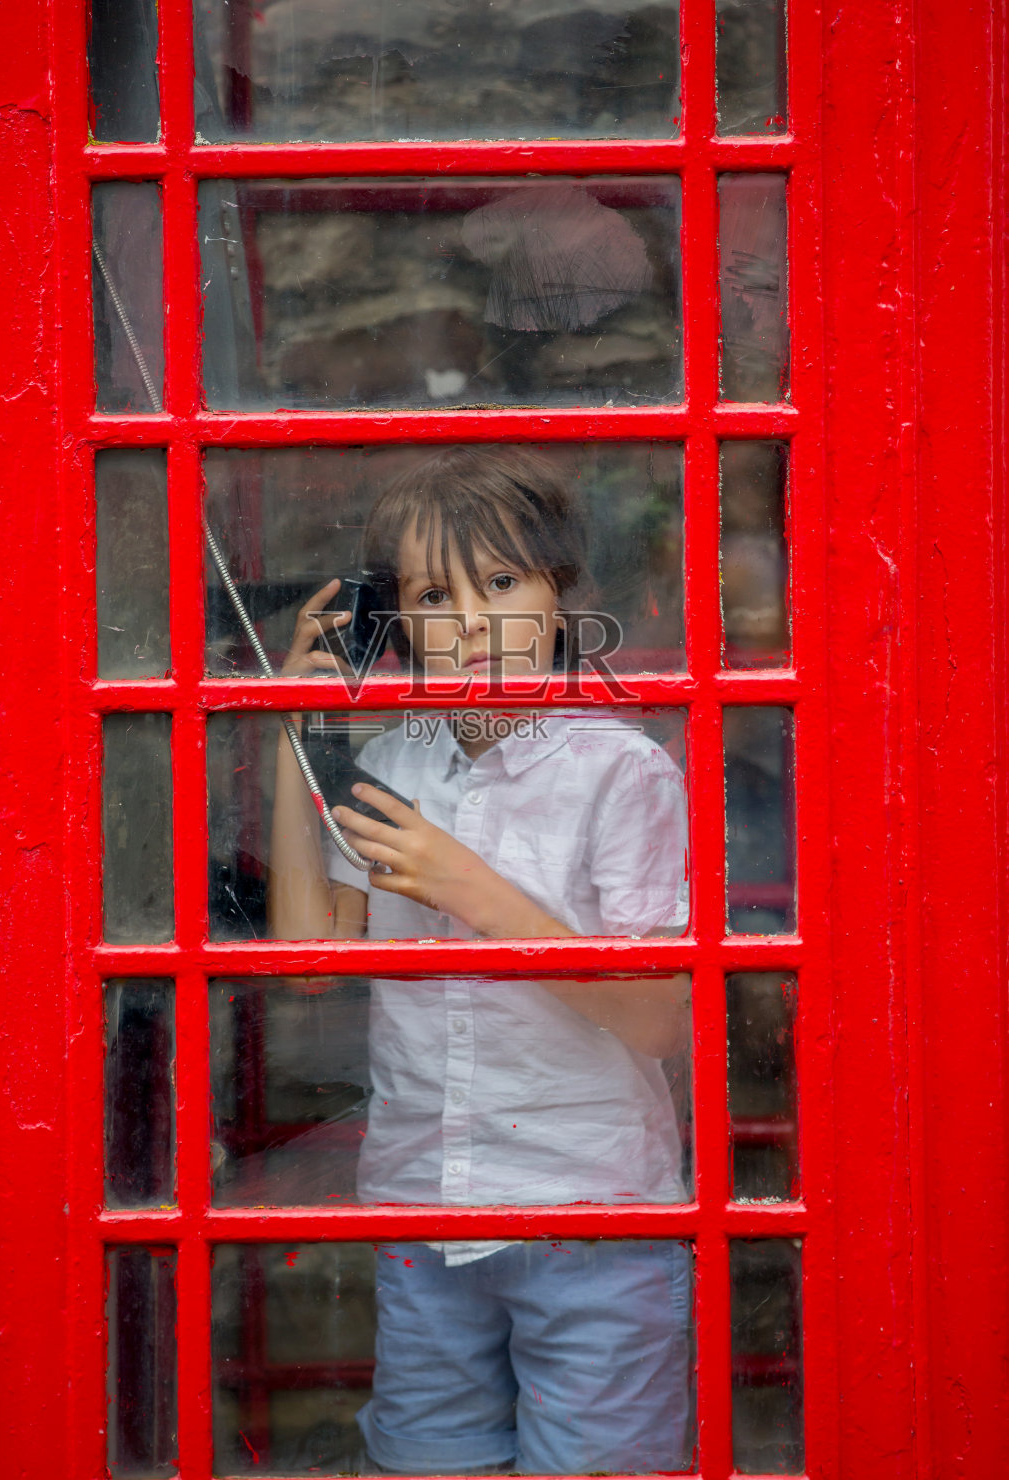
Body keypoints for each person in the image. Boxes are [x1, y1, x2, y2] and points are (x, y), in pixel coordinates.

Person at [269, 446, 692, 1476]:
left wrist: (462, 883)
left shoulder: (620, 773)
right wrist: (288, 735)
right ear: (397, 622)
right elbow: (307, 964)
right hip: (424, 1202)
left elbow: (653, 1017)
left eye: (499, 581)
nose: (468, 621)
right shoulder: (386, 762)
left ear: (557, 593)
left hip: (591, 1213)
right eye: (431, 594)